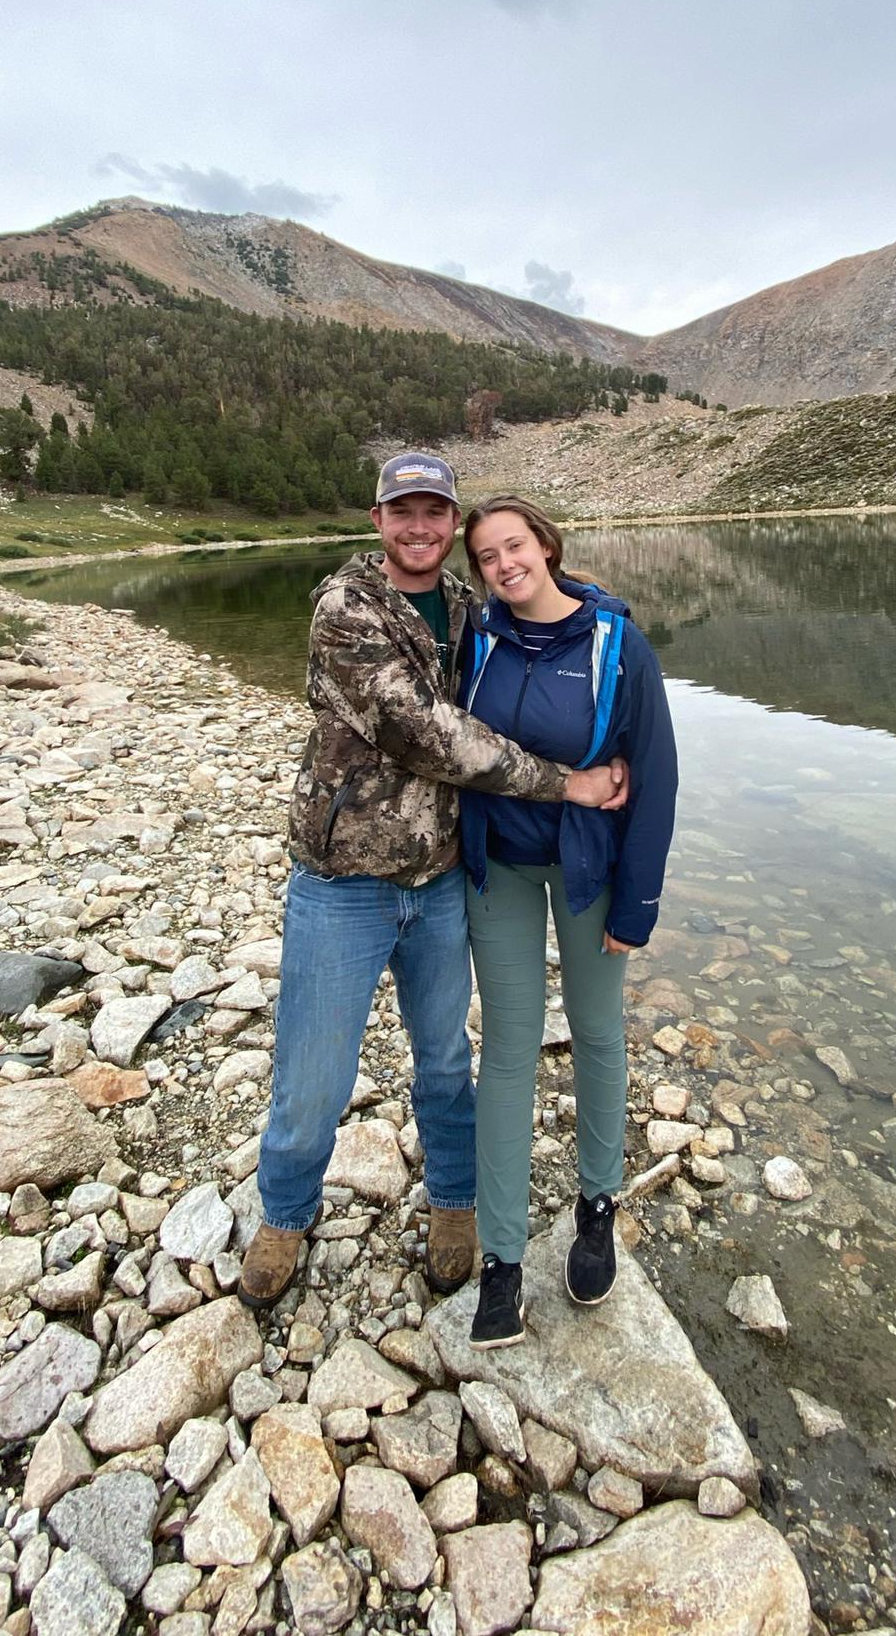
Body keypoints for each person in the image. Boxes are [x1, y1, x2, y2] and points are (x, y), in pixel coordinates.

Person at [241, 452, 628, 1310]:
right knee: (314, 1073)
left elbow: (545, 612)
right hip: (342, 881)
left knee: (447, 1060)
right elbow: (428, 735)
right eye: (402, 511)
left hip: (442, 877)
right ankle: (285, 1215)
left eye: (435, 512)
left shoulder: (466, 606)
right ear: (377, 520)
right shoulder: (345, 610)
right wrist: (565, 784)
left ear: (453, 524)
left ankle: (455, 1203)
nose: (419, 527)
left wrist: (603, 616)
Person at [457, 495, 677, 1349]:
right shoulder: (476, 640)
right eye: (487, 556)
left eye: (514, 546)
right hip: (501, 868)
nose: (504, 565)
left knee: (596, 1031)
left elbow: (654, 775)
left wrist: (639, 903)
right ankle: (501, 1260)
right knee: (509, 1046)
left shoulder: (616, 644)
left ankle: (596, 1205)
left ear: (546, 546)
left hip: (591, 869)